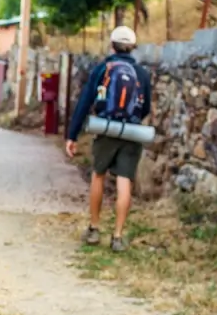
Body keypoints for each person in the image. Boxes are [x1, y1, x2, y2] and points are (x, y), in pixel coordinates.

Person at [65, 25, 152, 252]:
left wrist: (72, 135)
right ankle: (118, 236)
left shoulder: (102, 68)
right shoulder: (142, 74)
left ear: (111, 45)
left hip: (105, 129)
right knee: (124, 182)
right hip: (131, 132)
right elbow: (146, 108)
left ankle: (94, 229)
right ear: (133, 47)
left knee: (98, 176)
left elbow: (85, 102)